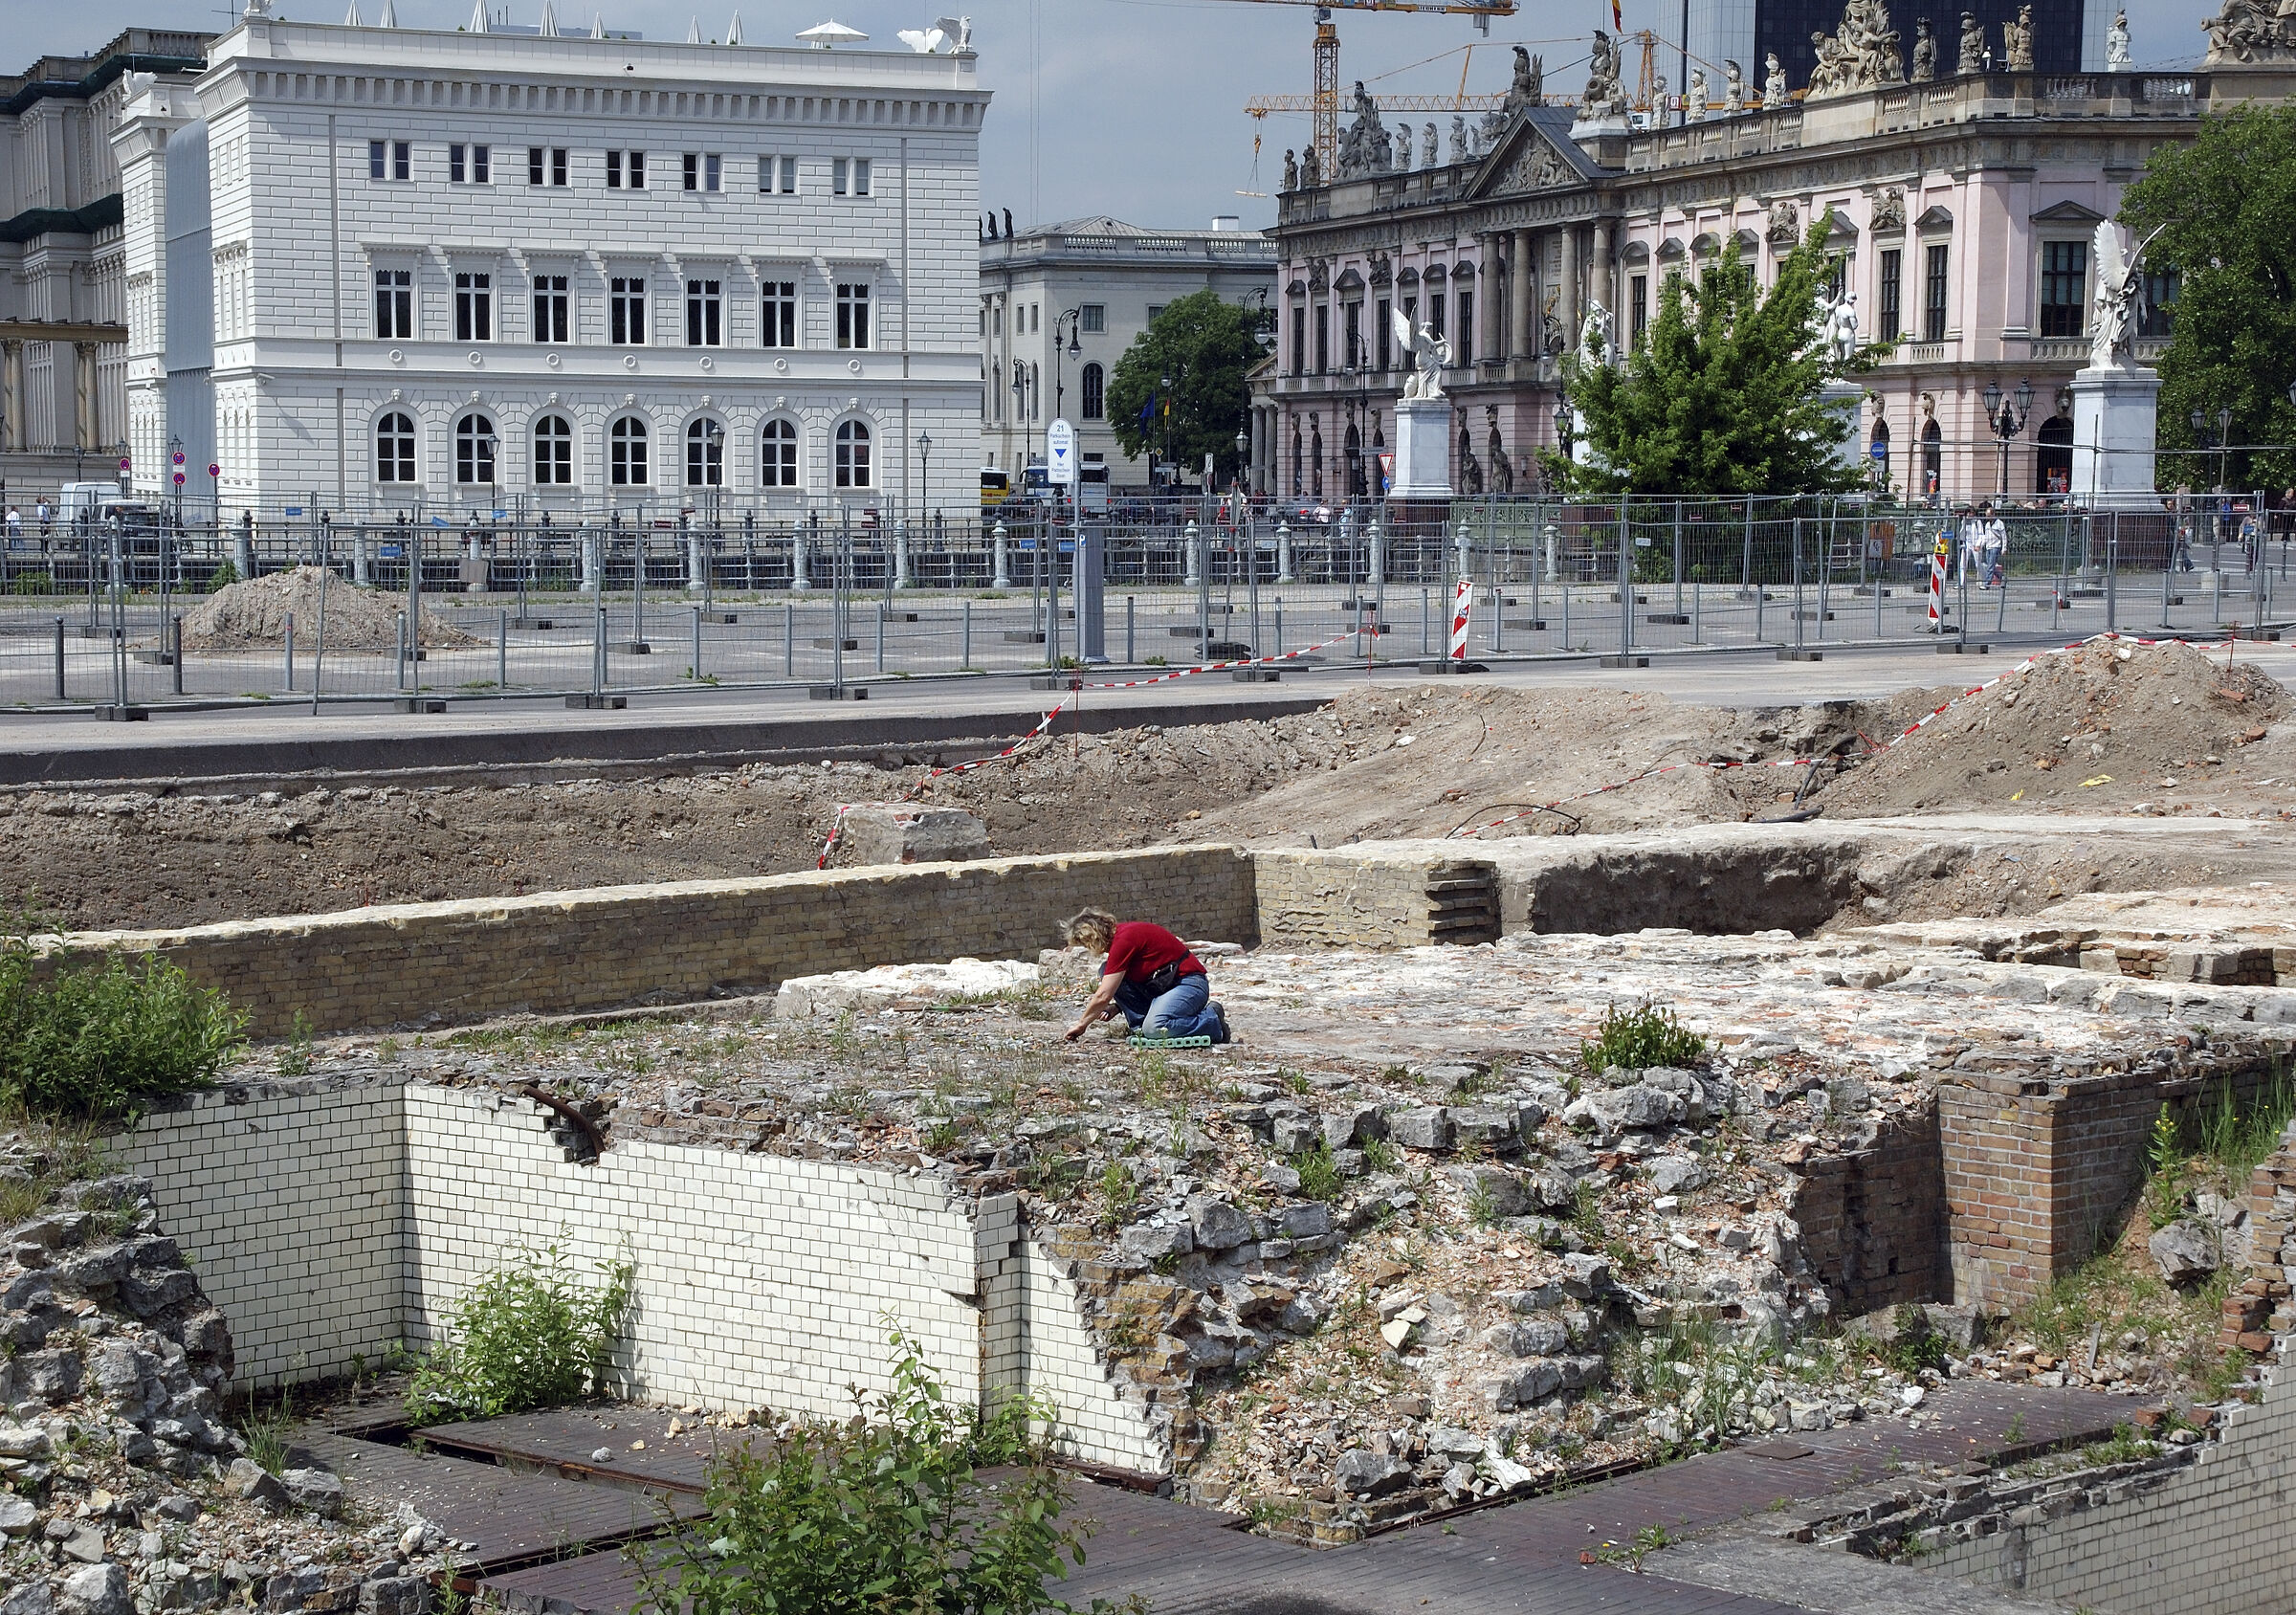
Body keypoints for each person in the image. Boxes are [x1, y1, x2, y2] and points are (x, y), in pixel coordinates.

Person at [1060, 908, 1229, 1045]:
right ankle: (1141, 1026)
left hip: (1189, 984)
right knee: (1106, 971)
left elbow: (1104, 994)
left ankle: (1212, 1021)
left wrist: (1082, 1024)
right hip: (1164, 987)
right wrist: (1118, 1007)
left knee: (1156, 1028)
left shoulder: (1124, 940)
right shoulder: (1122, 936)